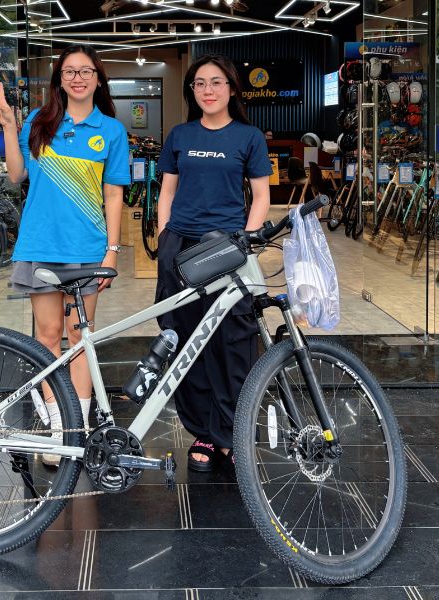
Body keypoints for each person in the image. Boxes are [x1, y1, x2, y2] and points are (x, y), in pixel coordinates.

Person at [0, 45, 130, 464]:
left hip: (87, 248)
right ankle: (56, 426)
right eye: (69, 71)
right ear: (59, 79)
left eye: (86, 71)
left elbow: (114, 196)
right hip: (41, 244)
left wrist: (112, 251)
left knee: (80, 336)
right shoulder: (39, 121)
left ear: (98, 79)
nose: (78, 78)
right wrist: (9, 126)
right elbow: (16, 174)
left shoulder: (111, 131)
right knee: (46, 336)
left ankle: (75, 427)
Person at [155, 54, 272, 472]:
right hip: (181, 250)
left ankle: (232, 432)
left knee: (232, 343)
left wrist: (246, 243)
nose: (208, 90)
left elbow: (261, 196)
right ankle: (204, 432)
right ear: (192, 90)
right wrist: (165, 238)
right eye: (200, 83)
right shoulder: (180, 135)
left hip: (226, 250)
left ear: (232, 88)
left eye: (216, 82)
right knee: (188, 341)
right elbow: (167, 192)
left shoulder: (248, 137)